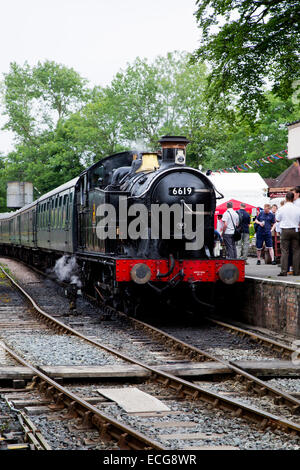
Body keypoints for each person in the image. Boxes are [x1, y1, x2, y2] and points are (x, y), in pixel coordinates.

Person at [276, 191, 300, 276]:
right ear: (293, 198)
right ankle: (296, 271)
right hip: (295, 230)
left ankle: (284, 271)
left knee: (285, 251)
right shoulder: (297, 208)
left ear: (286, 198)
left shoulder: (282, 208)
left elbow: (277, 219)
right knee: (296, 251)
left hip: (285, 230)